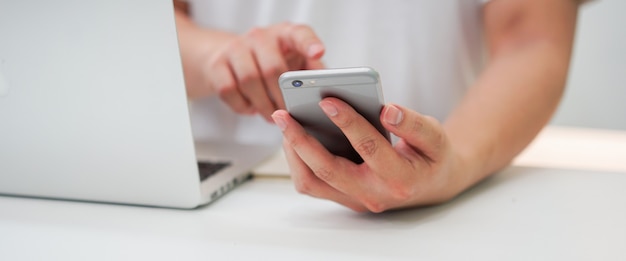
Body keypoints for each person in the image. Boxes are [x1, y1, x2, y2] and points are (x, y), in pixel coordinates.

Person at [174, 0, 585, 212]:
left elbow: (532, 39)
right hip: (213, 187)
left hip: (452, 205)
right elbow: (146, 19)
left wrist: (455, 164)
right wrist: (217, 57)